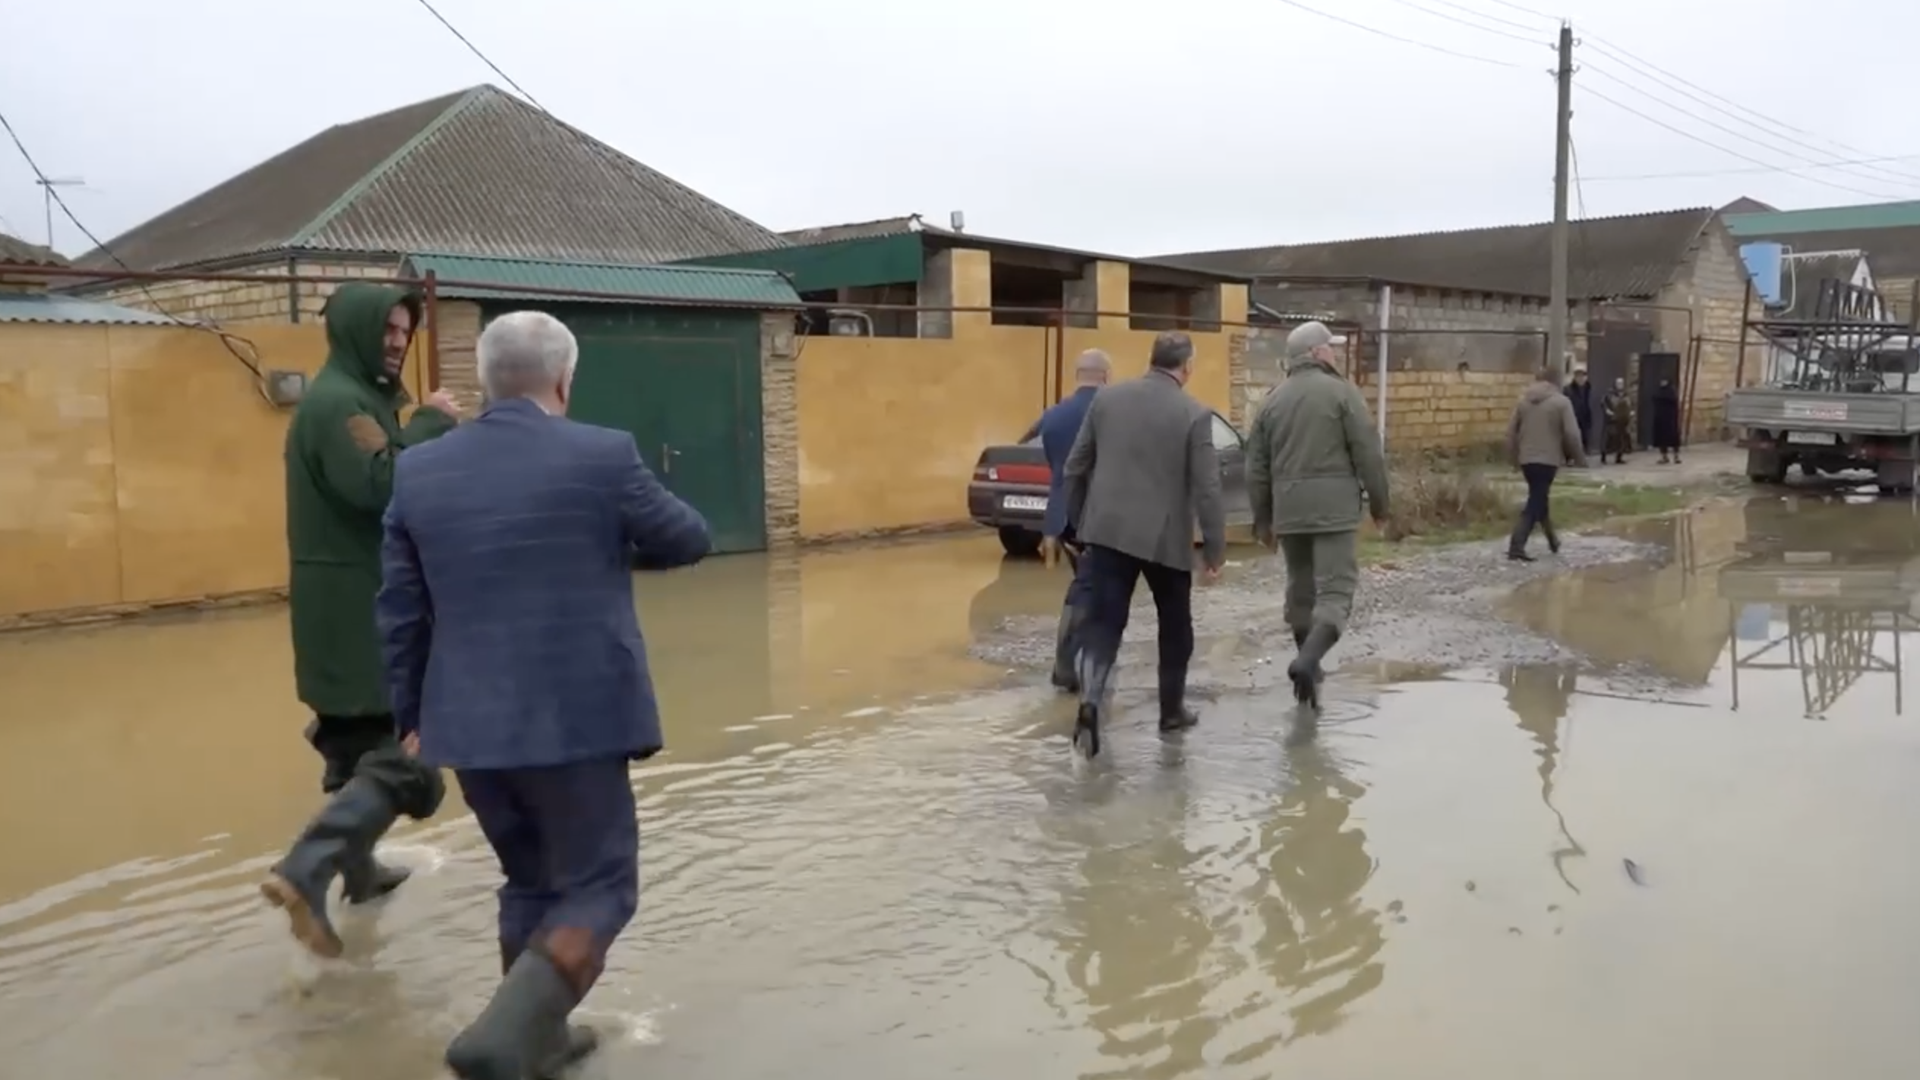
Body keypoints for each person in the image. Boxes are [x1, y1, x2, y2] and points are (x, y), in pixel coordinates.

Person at [377, 310, 711, 1079]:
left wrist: (411, 718)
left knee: (527, 880)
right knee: (600, 887)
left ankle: (542, 1043)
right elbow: (687, 536)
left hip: (466, 721)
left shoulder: (418, 468)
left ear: (487, 383)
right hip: (579, 717)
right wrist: (602, 547)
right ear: (565, 378)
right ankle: (500, 1040)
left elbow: (398, 607)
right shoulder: (601, 455)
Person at [259, 282, 461, 958]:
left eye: (404, 331)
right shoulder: (340, 404)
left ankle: (360, 872)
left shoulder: (354, 400)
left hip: (344, 606)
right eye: (387, 331)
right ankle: (306, 869)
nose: (398, 341)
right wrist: (432, 424)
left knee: (355, 753)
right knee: (411, 758)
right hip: (360, 610)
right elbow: (381, 484)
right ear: (353, 333)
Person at [1061, 331, 1226, 756]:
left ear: (1151, 359)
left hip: (1106, 531)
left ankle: (1091, 702)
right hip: (1165, 540)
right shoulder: (1194, 413)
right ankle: (1171, 713)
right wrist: (1214, 549)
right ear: (1186, 367)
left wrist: (1080, 523)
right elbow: (1208, 489)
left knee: (1103, 624)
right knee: (1175, 627)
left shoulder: (1107, 400)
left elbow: (1075, 466)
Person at [1245, 321, 1389, 710]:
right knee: (1337, 590)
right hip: (1335, 510)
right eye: (1330, 347)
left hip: (1289, 510)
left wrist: (1263, 519)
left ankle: (1309, 678)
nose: (1334, 353)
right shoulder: (1343, 394)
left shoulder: (1272, 401)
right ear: (1315, 353)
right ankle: (1308, 662)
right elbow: (1368, 455)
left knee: (1301, 590)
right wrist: (1380, 506)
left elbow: (1255, 467)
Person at [1030, 349, 1111, 693]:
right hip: (1098, 514)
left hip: (1063, 516)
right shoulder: (1110, 411)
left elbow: (1055, 467)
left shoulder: (1054, 414)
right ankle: (1071, 664)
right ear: (1106, 376)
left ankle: (1084, 660)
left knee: (1086, 584)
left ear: (1078, 374)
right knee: (1092, 588)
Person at [1506, 366, 1589, 562]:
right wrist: (1580, 459)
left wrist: (1513, 459)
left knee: (1539, 497)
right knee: (1535, 502)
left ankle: (1553, 540)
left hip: (1527, 460)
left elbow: (1510, 433)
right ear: (1555, 381)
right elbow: (1572, 434)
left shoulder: (1523, 402)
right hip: (1548, 460)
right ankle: (1516, 545)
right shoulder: (1561, 402)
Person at [1601, 377, 1634, 464]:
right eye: (1618, 383)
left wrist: (1631, 411)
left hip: (1623, 420)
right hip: (1612, 419)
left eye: (1622, 383)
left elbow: (1630, 404)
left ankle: (1619, 456)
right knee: (1608, 438)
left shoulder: (1626, 394)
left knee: (1622, 439)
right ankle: (1603, 456)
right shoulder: (1609, 394)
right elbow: (1604, 403)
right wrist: (1607, 411)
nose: (1620, 385)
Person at [1651, 376, 1682, 464]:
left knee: (1673, 438)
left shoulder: (1671, 391)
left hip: (1670, 419)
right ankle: (1664, 456)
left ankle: (1676, 456)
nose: (1662, 383)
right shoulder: (1658, 391)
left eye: (1664, 381)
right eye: (1661, 381)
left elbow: (1673, 400)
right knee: (1662, 439)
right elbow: (1654, 399)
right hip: (1660, 419)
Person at [1565, 367, 1594, 455]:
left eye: (1583, 376)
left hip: (1585, 416)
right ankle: (1571, 456)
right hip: (1573, 416)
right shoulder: (1568, 389)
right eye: (1578, 376)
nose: (1581, 379)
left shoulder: (1589, 389)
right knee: (1572, 437)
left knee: (1585, 435)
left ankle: (1583, 453)